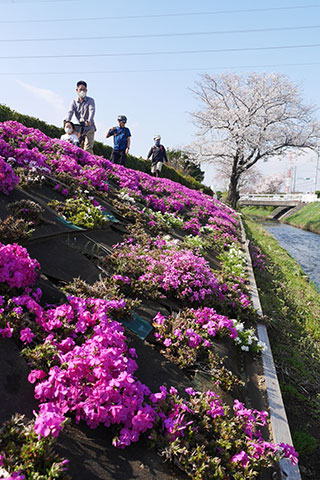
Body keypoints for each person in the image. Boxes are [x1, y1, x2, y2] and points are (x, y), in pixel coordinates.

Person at [65, 80, 96, 154]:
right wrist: (67, 121)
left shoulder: (90, 100)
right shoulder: (74, 102)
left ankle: (90, 164)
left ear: (86, 90)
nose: (82, 91)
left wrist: (89, 121)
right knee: (75, 145)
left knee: (87, 148)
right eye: (80, 89)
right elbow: (70, 111)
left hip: (89, 126)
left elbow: (92, 110)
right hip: (78, 126)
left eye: (84, 90)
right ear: (77, 90)